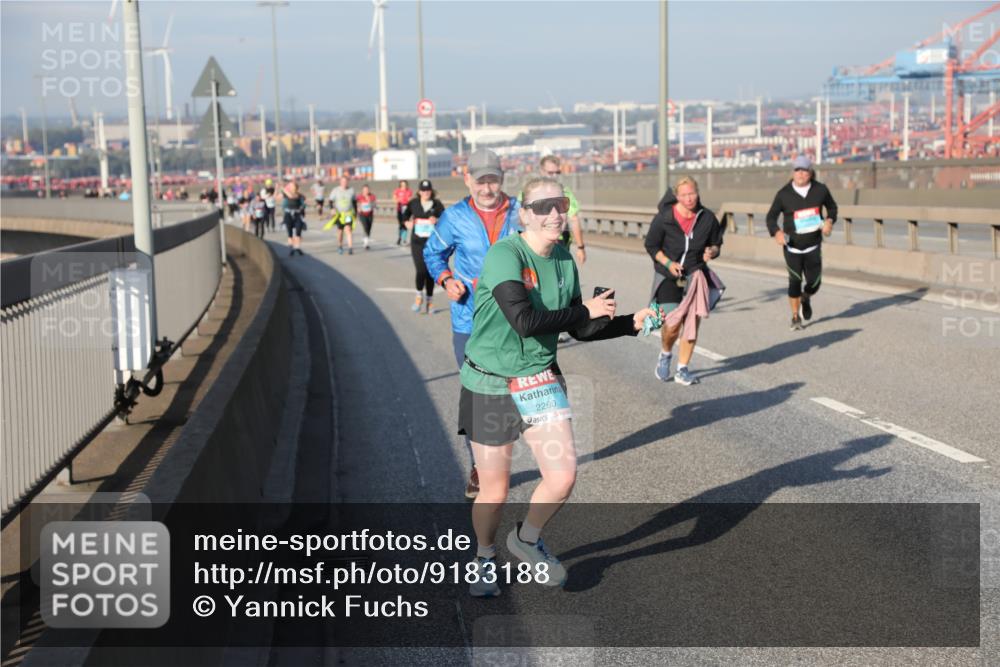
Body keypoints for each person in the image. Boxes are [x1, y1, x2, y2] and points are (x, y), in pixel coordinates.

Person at [459, 177, 658, 597]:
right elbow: (525, 322)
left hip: (539, 378)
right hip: (490, 382)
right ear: (524, 214)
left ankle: (527, 539)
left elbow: (579, 328)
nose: (554, 213)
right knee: (494, 489)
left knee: (563, 477)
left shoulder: (564, 259)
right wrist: (583, 310)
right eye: (543, 205)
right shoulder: (504, 255)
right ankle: (483, 556)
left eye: (561, 204)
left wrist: (627, 324)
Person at [424, 149, 522, 499]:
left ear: (502, 178)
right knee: (477, 397)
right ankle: (480, 467)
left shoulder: (520, 212)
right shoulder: (454, 217)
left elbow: (544, 248)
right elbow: (432, 254)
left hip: (515, 322)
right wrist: (446, 278)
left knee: (510, 397)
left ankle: (498, 456)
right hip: (470, 321)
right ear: (468, 180)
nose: (486, 187)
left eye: (492, 179)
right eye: (480, 180)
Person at [643, 176, 724, 386]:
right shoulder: (665, 218)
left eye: (692, 194)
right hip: (668, 276)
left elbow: (716, 243)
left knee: (691, 323)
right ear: (677, 196)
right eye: (684, 195)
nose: (689, 199)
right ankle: (666, 353)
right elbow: (651, 245)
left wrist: (711, 251)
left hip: (695, 275)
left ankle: (682, 369)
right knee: (672, 323)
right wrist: (669, 263)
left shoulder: (707, 218)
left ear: (698, 193)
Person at [766, 156, 838, 330]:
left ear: (810, 172)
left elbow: (833, 208)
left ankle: (806, 296)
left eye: (804, 170)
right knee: (794, 281)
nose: (800, 173)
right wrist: (776, 232)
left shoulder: (820, 190)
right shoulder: (783, 194)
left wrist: (829, 220)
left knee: (814, 282)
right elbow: (771, 217)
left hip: (813, 246)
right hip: (792, 247)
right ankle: (795, 317)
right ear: (793, 172)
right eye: (797, 170)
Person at [402, 180, 445, 314]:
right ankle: (419, 296)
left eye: (428, 190)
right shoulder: (413, 203)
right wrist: (406, 223)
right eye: (423, 190)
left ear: (431, 191)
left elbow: (446, 219)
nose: (426, 192)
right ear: (419, 191)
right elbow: (404, 215)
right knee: (421, 270)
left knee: (429, 272)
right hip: (417, 242)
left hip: (432, 243)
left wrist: (438, 220)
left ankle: (430, 302)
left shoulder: (437, 205)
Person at [327, 175, 357, 255]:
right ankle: (340, 245)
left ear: (348, 182)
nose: (344, 183)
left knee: (348, 229)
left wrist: (355, 213)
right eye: (343, 181)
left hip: (348, 214)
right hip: (339, 214)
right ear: (340, 182)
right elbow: (330, 201)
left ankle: (350, 248)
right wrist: (332, 209)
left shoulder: (351, 190)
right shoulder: (336, 190)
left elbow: (354, 202)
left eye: (346, 181)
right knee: (340, 231)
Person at [282, 181, 307, 256]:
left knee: (298, 232)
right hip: (288, 215)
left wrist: (283, 188)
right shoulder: (286, 194)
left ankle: (297, 248)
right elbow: (276, 197)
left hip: (297, 215)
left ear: (296, 188)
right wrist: (277, 188)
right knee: (290, 233)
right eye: (290, 187)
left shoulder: (298, 195)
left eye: (293, 186)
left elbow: (292, 196)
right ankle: (291, 249)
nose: (292, 188)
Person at [356, 184, 377, 250]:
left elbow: (374, 205)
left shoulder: (372, 196)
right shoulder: (359, 196)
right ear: (362, 190)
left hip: (370, 214)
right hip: (362, 214)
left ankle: (366, 239)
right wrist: (357, 208)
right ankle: (366, 244)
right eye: (364, 190)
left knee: (369, 228)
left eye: (367, 190)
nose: (366, 191)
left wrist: (369, 201)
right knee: (365, 226)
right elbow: (355, 203)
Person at [393, 179, 413, 245]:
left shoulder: (409, 191)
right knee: (401, 224)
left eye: (405, 185)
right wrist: (400, 200)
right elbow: (395, 199)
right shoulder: (397, 191)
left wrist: (405, 201)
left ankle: (403, 239)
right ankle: (400, 238)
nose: (404, 186)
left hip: (406, 209)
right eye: (402, 185)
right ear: (400, 185)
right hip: (400, 209)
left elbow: (410, 200)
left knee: (405, 224)